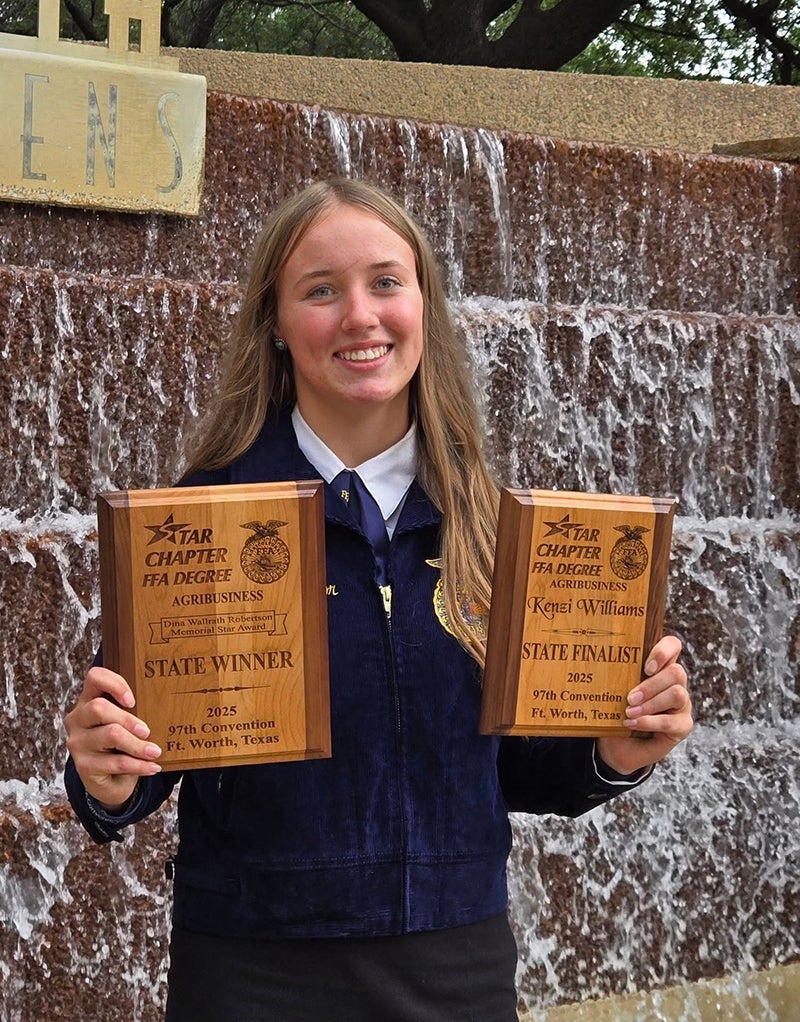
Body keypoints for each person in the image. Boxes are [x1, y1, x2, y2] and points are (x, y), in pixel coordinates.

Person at [64, 178, 693, 1022]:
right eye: (321, 291)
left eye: (387, 282)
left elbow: (506, 768)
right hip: (255, 968)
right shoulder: (205, 516)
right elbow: (146, 760)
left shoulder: (492, 521)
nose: (361, 315)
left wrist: (616, 750)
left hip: (455, 961)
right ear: (278, 329)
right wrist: (105, 775)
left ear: (424, 308)